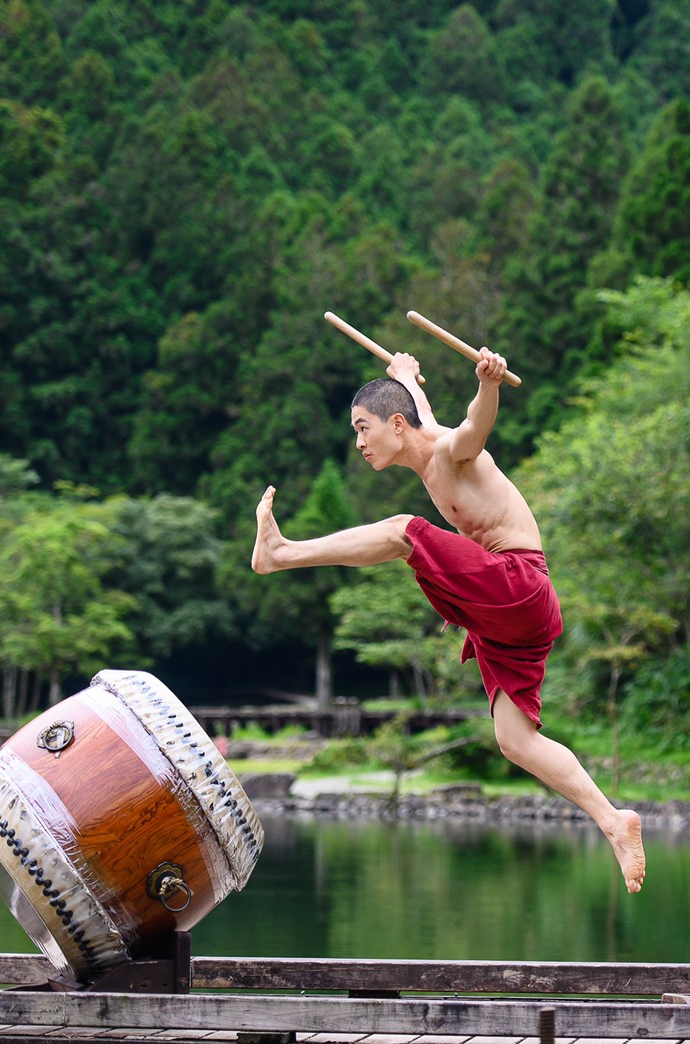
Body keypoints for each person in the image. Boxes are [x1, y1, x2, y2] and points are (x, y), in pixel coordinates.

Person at [251, 346, 646, 894]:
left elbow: (471, 429)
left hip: (517, 584)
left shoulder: (449, 452)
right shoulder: (422, 435)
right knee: (515, 740)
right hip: (511, 614)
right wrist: (408, 376)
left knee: (404, 531)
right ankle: (612, 820)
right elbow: (423, 414)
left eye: (363, 429)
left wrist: (488, 385)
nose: (359, 443)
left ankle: (282, 553)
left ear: (394, 424)